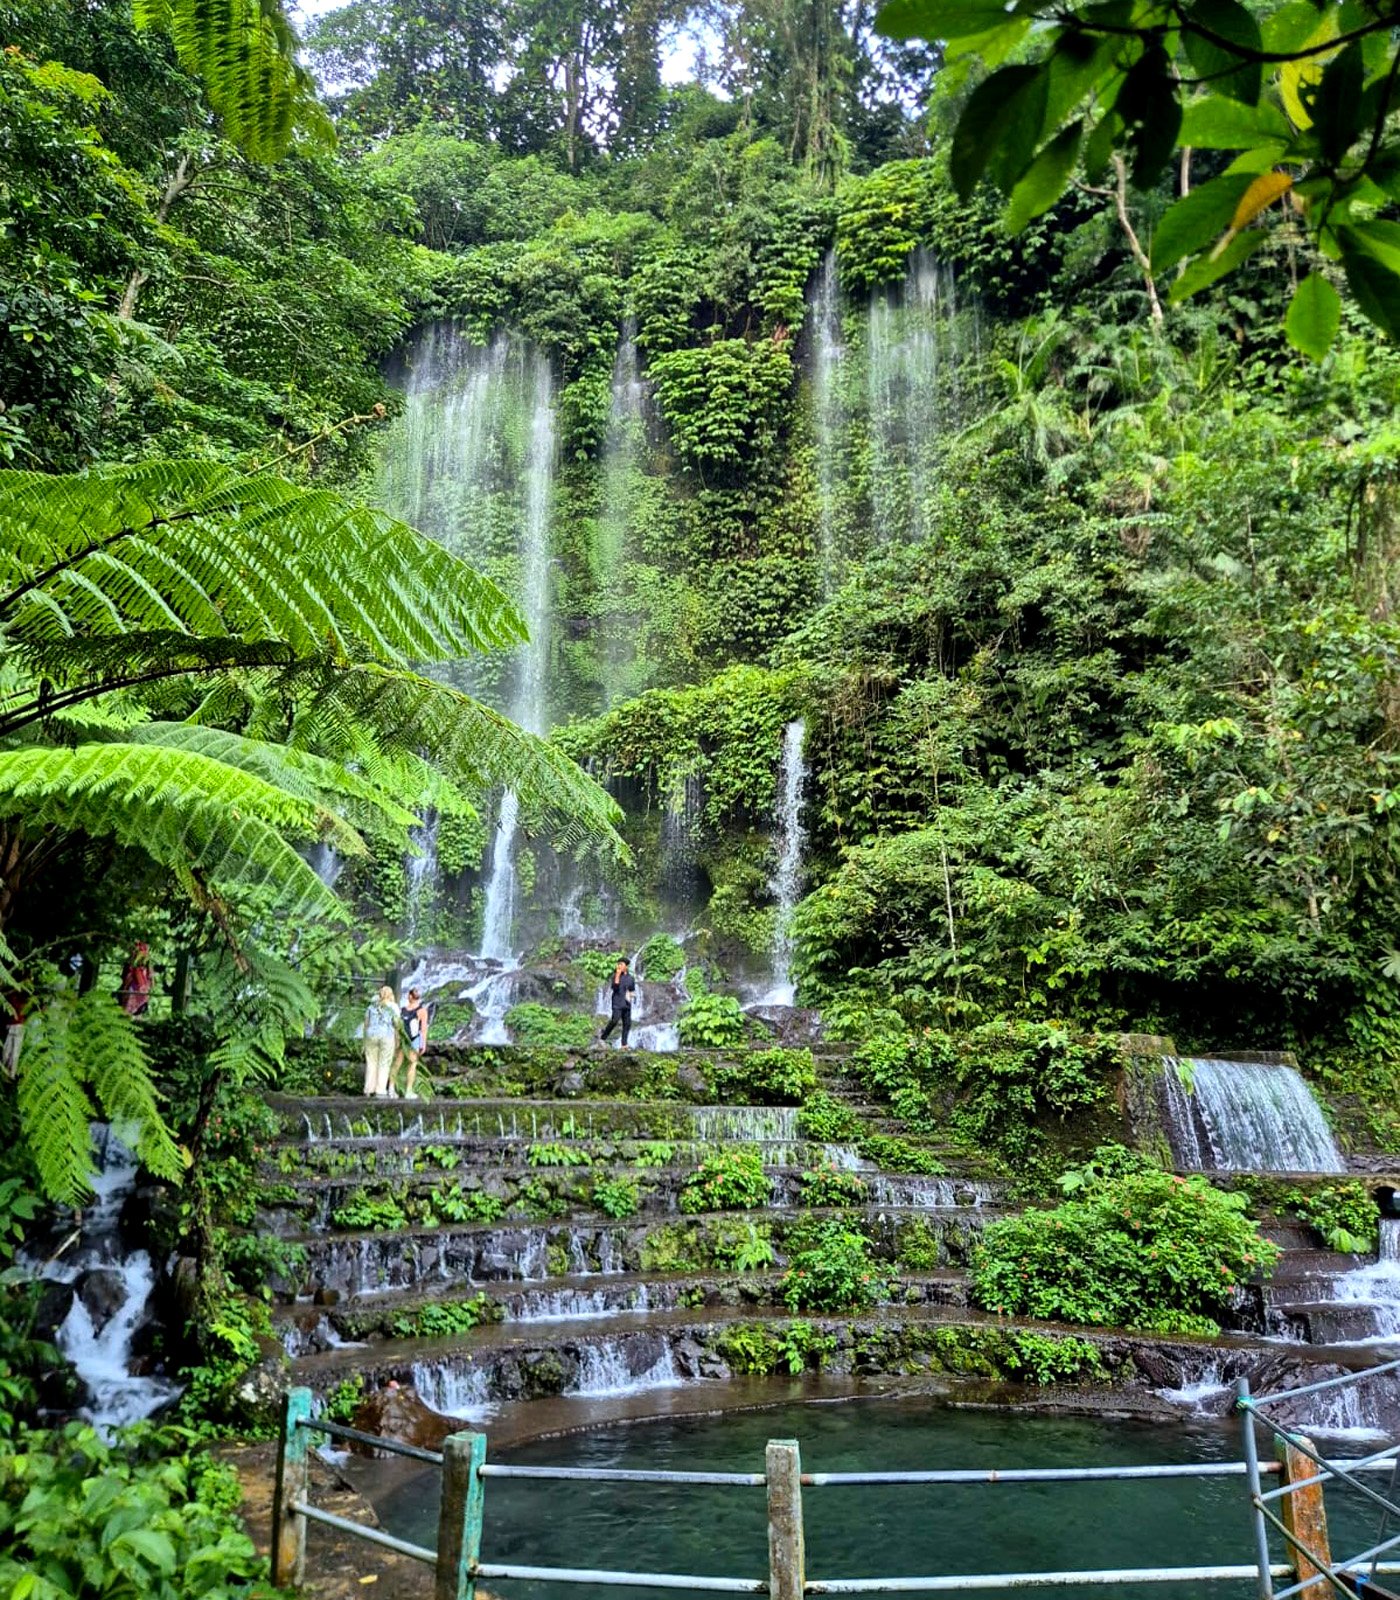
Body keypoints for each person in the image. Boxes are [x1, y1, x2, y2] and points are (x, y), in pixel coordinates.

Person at [362, 985, 400, 1097]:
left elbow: (366, 1023)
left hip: (371, 1036)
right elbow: (397, 1024)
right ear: (390, 995)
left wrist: (364, 1039)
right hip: (387, 1035)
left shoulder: (371, 1006)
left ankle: (368, 1089)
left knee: (371, 1062)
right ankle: (380, 1089)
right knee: (384, 1062)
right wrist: (397, 1038)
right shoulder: (393, 1007)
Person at [395, 987, 429, 1100]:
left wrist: (396, 1040)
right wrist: (423, 1044)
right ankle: (408, 1091)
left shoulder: (402, 1010)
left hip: (403, 1039)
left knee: (397, 1064)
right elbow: (423, 1029)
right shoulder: (422, 1011)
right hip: (414, 1039)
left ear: (409, 996)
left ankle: (391, 1088)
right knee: (412, 1064)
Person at [599, 956, 636, 1048]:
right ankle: (603, 1037)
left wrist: (631, 995)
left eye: (621, 964)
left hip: (627, 1003)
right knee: (615, 1020)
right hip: (617, 1003)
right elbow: (615, 987)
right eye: (618, 964)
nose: (619, 966)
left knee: (627, 1024)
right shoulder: (615, 976)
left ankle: (624, 1044)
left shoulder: (631, 978)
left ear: (626, 966)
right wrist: (618, 975)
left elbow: (632, 990)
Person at [117, 942, 153, 1016]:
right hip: (134, 985)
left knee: (135, 999)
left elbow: (150, 977)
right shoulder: (132, 964)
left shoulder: (146, 964)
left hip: (140, 987)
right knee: (130, 998)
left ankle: (130, 1013)